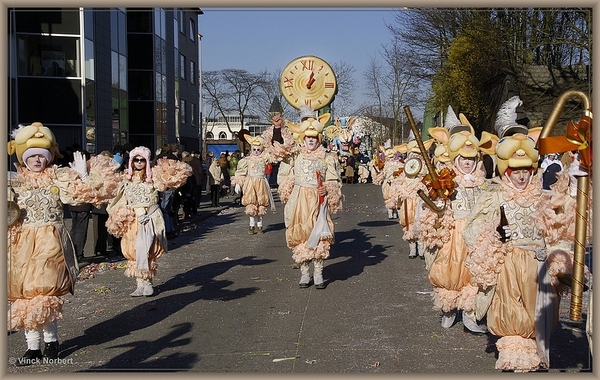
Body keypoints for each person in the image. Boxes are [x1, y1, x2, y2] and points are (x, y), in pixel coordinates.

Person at [463, 96, 590, 372]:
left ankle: (534, 349)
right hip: (508, 265)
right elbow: (471, 230)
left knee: (537, 314)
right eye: (515, 171)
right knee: (510, 310)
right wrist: (493, 234)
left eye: (525, 171)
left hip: (537, 265)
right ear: (506, 170)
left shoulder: (542, 197)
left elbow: (558, 228)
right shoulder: (493, 197)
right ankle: (511, 351)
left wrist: (560, 259)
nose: (521, 177)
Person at [7, 122, 120, 365]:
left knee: (46, 292)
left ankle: (51, 342)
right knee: (26, 295)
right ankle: (32, 347)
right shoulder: (14, 182)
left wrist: (84, 174)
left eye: (42, 155)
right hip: (22, 244)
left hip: (51, 241)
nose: (37, 160)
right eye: (32, 155)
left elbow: (85, 195)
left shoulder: (58, 177)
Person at [422, 109, 491, 334]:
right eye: (464, 159)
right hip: (453, 233)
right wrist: (438, 201)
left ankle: (470, 315)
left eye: (472, 159)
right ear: (455, 159)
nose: (468, 164)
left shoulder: (483, 183)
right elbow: (434, 207)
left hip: (476, 235)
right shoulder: (446, 179)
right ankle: (449, 309)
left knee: (474, 274)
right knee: (450, 271)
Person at [106, 146, 191, 297]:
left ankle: (148, 283)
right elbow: (117, 197)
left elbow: (169, 183)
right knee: (134, 249)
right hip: (134, 220)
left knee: (149, 249)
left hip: (151, 217)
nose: (139, 163)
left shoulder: (153, 177)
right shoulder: (126, 179)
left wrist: (170, 169)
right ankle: (140, 284)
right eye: (136, 160)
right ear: (131, 161)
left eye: (142, 160)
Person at [276, 106, 343, 289]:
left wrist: (327, 190)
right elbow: (280, 160)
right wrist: (289, 190)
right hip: (299, 201)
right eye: (308, 137)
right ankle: (305, 273)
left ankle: (319, 272)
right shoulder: (295, 155)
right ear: (303, 138)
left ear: (318, 139)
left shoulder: (327, 158)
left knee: (320, 234)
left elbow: (333, 179)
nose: (311, 141)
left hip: (317, 201)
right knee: (300, 235)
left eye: (314, 137)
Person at [231, 135, 276, 234]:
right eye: (254, 149)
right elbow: (241, 172)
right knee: (251, 204)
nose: (256, 151)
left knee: (261, 203)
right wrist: (238, 183)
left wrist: (268, 142)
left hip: (261, 183)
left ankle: (259, 226)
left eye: (258, 149)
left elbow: (273, 154)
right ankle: (251, 225)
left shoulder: (264, 158)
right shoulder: (247, 160)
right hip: (250, 183)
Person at [261, 112, 296, 188]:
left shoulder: (294, 152)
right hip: (279, 178)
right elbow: (276, 146)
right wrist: (277, 128)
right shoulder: (270, 154)